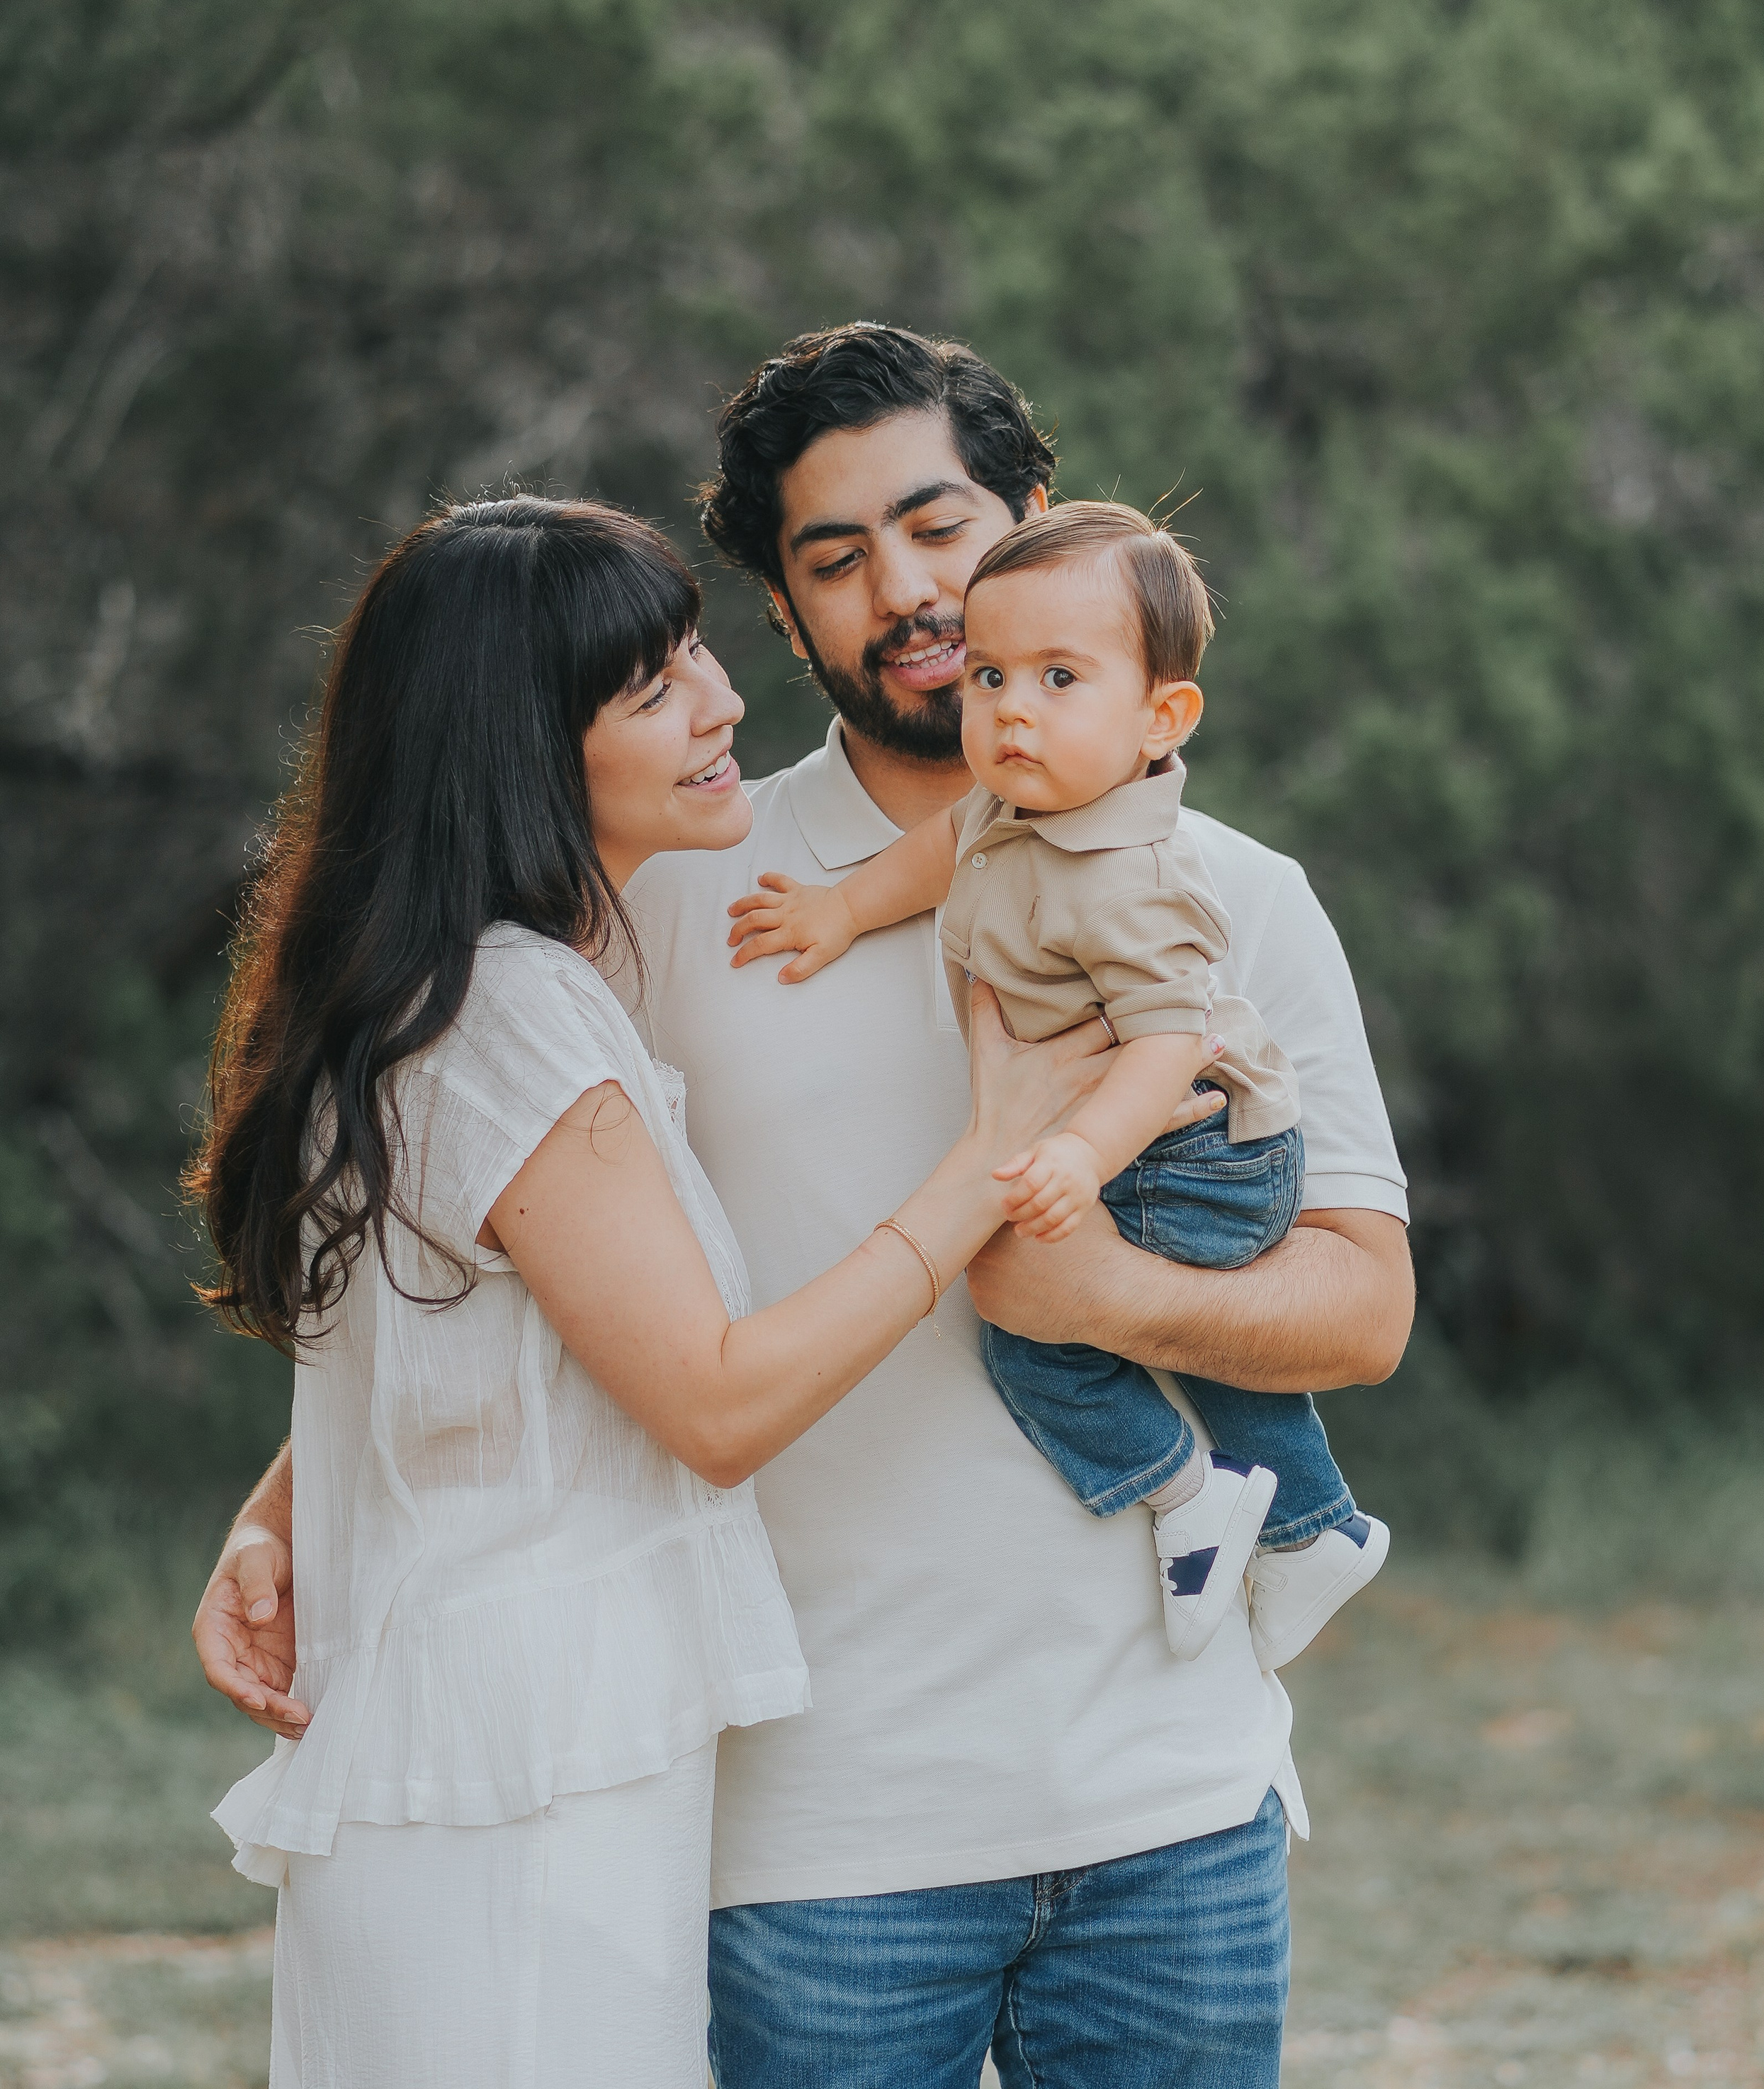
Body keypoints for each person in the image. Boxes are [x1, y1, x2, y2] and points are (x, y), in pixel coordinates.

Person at [198, 325, 1415, 2089]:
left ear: (1039, 526)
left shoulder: (1229, 898)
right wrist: (290, 1509)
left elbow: (1361, 1309)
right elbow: (526, 1260)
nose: (907, 594)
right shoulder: (685, 894)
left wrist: (1097, 1301)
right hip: (813, 1836)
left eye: (939, 529)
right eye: (832, 561)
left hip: (1175, 1802)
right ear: (779, 615)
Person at [186, 494, 1104, 2089]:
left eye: (696, 652)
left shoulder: (438, 982)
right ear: (520, 747)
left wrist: (278, 1511)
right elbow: (714, 1400)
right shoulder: (513, 1009)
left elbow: (466, 1339)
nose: (722, 702)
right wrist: (988, 1164)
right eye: (650, 685)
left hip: (491, 1744)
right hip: (525, 1773)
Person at [726, 497, 1388, 1669]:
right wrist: (838, 908)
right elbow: (939, 854)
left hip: (1196, 1145)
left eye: (1059, 679)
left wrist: (1080, 1159)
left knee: (1038, 1331)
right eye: (989, 677)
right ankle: (1307, 1525)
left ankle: (1197, 1502)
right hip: (1140, 1137)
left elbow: (1165, 1046)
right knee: (1120, 1310)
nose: (1011, 709)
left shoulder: (1138, 880)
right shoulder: (1015, 806)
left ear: (1160, 719)